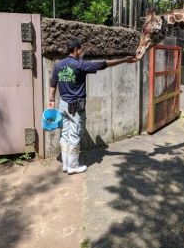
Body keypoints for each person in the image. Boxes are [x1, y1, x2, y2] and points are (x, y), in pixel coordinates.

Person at [49, 38, 137, 174]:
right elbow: (103, 64)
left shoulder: (58, 65)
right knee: (75, 134)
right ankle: (73, 166)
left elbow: (53, 83)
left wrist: (51, 100)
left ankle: (66, 165)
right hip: (75, 107)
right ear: (76, 50)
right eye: (80, 49)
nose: (82, 51)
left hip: (62, 104)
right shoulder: (80, 65)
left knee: (65, 134)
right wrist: (124, 60)